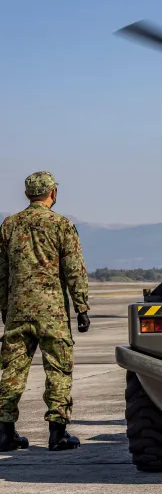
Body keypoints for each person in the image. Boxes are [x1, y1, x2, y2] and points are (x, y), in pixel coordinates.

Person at [0, 172, 90, 452]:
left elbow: (1, 272)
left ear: (28, 195)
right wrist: (82, 307)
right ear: (53, 193)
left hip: (18, 310)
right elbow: (74, 269)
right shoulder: (61, 225)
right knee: (58, 370)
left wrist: (4, 306)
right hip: (52, 312)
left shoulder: (10, 225)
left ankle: (4, 433)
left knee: (11, 371)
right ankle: (57, 433)